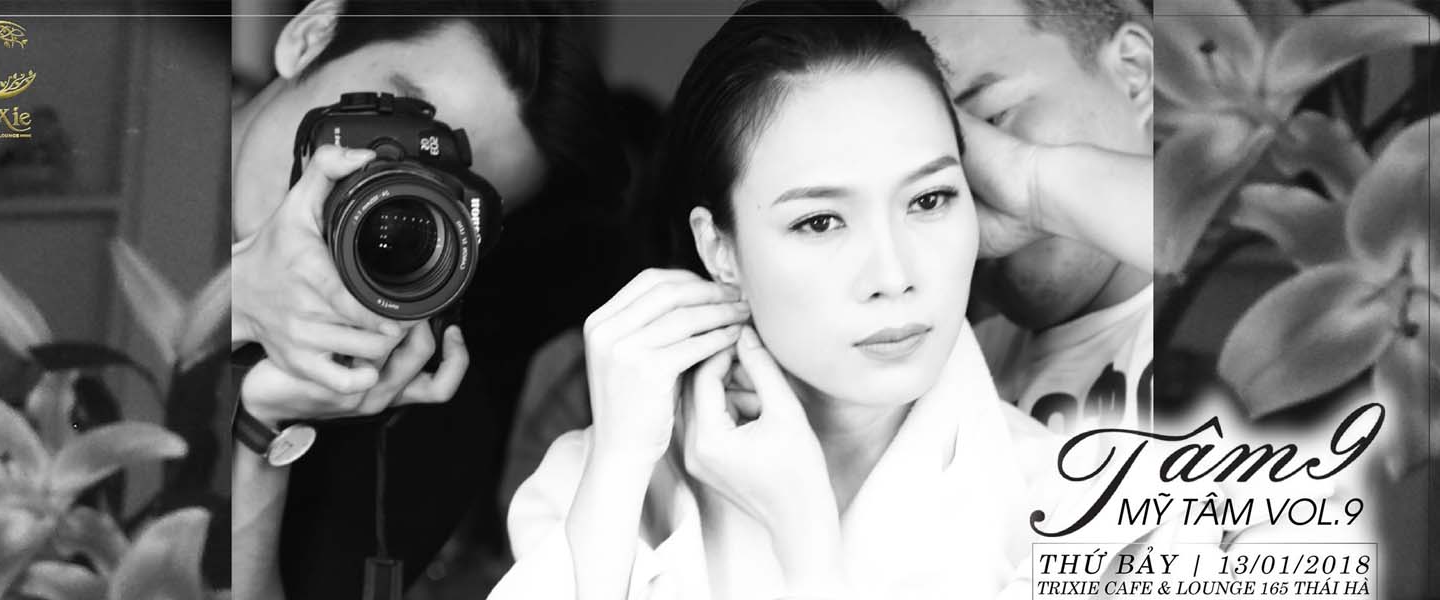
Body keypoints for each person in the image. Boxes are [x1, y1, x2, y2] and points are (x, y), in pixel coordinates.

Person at [491, 3, 1182, 598]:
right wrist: (617, 472)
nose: (893, 274)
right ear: (720, 249)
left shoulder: (1086, 507)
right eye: (820, 221)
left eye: (930, 199)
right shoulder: (606, 480)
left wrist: (809, 546)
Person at [229, 1, 625, 598]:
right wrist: (230, 300)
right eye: (392, 127)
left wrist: (260, 432)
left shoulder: (416, 419)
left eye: (446, 190)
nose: (394, 195)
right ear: (310, 36)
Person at [894, 0, 1156, 434]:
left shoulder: (1240, 315)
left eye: (991, 117)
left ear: (1135, 71)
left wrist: (1035, 186)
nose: (967, 179)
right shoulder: (950, 378)